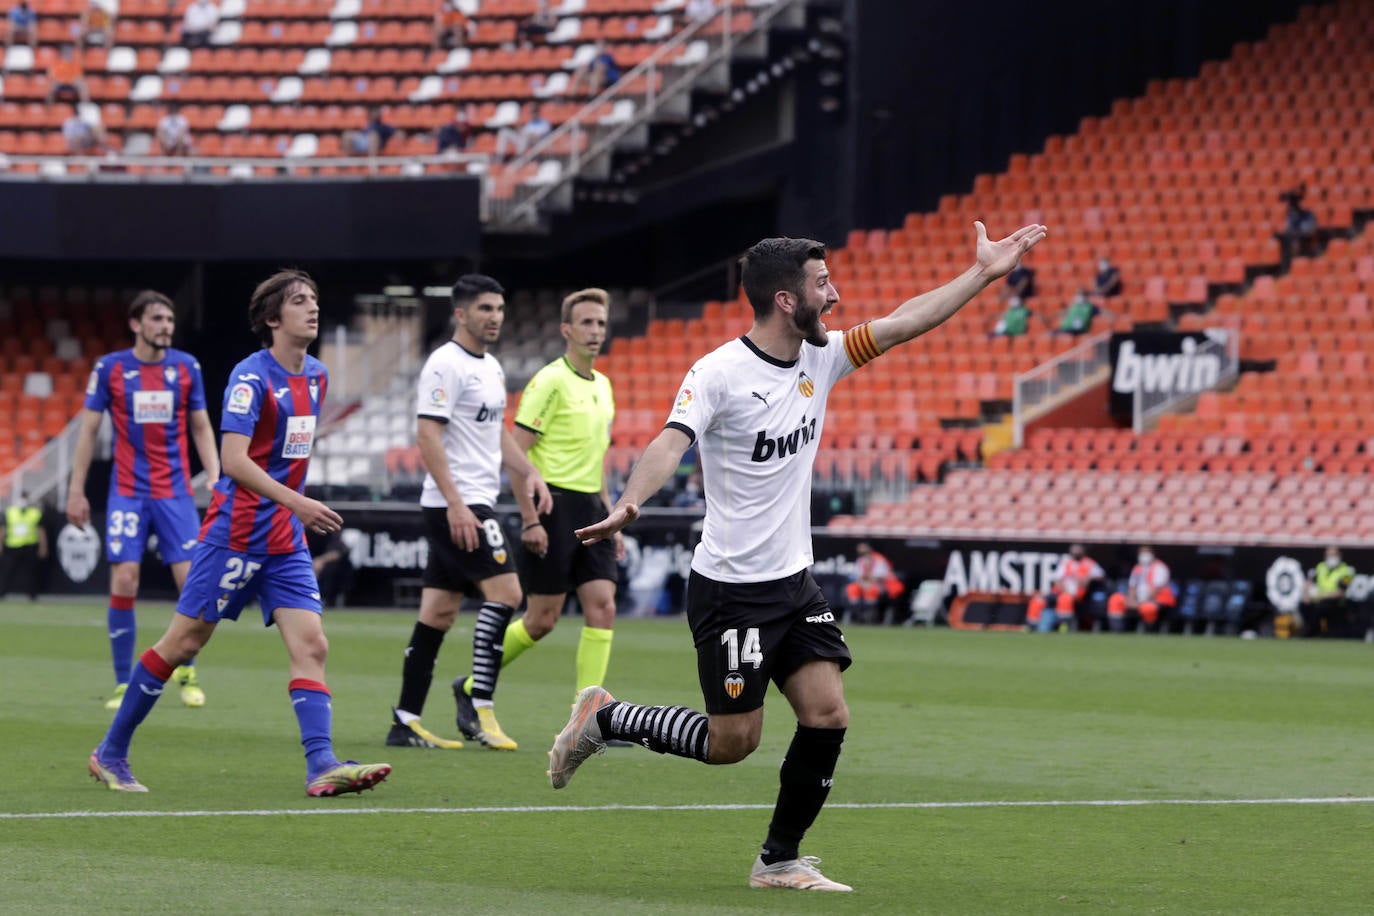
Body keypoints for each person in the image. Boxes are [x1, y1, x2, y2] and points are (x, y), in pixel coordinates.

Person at [550, 221, 1047, 892]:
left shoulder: (824, 356)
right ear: (786, 299)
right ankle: (608, 718)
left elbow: (903, 323)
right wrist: (632, 502)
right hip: (731, 591)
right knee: (733, 744)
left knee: (827, 714)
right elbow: (672, 441)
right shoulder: (719, 372)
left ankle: (778, 860)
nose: (835, 295)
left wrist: (984, 274)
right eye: (821, 284)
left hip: (793, 584)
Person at [88, 269, 391, 797]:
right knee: (183, 643)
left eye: (315, 299)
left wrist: (291, 511)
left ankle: (321, 763)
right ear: (273, 319)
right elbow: (232, 460)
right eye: (300, 302)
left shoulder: (316, 376)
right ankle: (110, 753)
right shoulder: (250, 378)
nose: (313, 308)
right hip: (234, 534)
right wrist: (297, 503)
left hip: (283, 541)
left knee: (312, 644)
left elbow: (290, 454)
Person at [385, 274, 552, 752]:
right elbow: (427, 435)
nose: (494, 317)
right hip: (460, 504)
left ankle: (405, 719)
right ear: (461, 314)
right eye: (485, 309)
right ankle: (479, 707)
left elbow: (495, 432)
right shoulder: (445, 364)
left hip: (470, 501)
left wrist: (529, 471)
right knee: (507, 593)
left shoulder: (492, 368)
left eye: (499, 309)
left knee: (438, 612)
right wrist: (457, 504)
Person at [462, 287, 624, 702]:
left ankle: (587, 713)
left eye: (601, 323)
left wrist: (612, 514)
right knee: (541, 619)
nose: (595, 331)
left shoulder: (604, 386)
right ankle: (469, 686)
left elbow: (598, 458)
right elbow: (516, 452)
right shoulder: (550, 381)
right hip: (553, 505)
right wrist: (530, 519)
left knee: (603, 605)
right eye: (586, 322)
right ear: (566, 330)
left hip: (591, 507)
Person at [67, 290, 220, 710]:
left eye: (169, 320)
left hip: (175, 492)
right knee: (124, 580)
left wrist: (218, 477)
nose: (165, 326)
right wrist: (76, 489)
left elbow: (202, 427)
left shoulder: (187, 367)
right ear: (136, 324)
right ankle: (122, 682)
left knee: (192, 584)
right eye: (156, 319)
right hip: (128, 492)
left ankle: (186, 669)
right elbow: (88, 431)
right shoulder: (111, 369)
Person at [1026, 543, 1103, 633]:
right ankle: (1032, 629)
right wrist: (1062, 588)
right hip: (1062, 591)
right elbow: (1057, 579)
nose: (1076, 552)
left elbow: (1101, 576)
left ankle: (1064, 627)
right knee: (1037, 601)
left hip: (1078, 594)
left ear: (1083, 551)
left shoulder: (1089, 563)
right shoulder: (1066, 563)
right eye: (1074, 550)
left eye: (1078, 550)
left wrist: (1088, 578)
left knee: (1065, 599)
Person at [1106, 546, 1174, 633]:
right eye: (1141, 553)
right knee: (1115, 599)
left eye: (1146, 552)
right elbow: (1132, 586)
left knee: (1148, 608)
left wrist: (1143, 601)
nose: (1143, 555)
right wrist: (1131, 599)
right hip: (1138, 599)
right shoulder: (1137, 568)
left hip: (1155, 599)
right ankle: (1117, 631)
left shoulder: (1160, 567)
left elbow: (1157, 588)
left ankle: (1150, 632)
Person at [0, 494, 48, 600]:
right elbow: (3, 529)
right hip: (12, 546)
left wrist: (43, 547)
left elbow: (41, 531)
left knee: (31, 572)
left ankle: (32, 595)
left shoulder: (35, 513)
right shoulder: (10, 512)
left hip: (29, 546)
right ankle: (2, 593)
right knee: (7, 571)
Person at [1302, 546, 1355, 638]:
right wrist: (1306, 594)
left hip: (1336, 602)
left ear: (1339, 556)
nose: (1331, 558)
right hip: (1318, 600)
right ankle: (1312, 632)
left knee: (1324, 606)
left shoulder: (1347, 571)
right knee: (1304, 605)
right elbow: (1309, 581)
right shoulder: (1320, 567)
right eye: (1329, 555)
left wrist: (1320, 596)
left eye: (1334, 555)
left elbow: (1341, 592)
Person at [843, 541, 903, 624]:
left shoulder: (879, 560)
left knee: (871, 589)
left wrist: (868, 578)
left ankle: (869, 615)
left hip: (878, 585)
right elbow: (856, 576)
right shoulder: (860, 561)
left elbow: (880, 577)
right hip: (863, 584)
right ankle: (855, 612)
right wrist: (862, 583)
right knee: (852, 588)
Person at [308, 527, 353, 608]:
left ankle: (328, 598)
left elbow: (337, 552)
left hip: (328, 564)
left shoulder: (331, 528)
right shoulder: (301, 528)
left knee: (336, 568)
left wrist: (320, 561)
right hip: (307, 561)